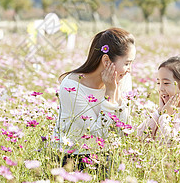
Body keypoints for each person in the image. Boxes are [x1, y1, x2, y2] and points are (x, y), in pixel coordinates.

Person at [52, 27, 136, 166]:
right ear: (106, 61)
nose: (130, 69)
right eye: (127, 63)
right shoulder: (71, 86)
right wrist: (110, 92)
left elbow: (124, 128)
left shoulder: (123, 78)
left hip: (107, 154)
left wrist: (118, 92)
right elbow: (99, 135)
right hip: (72, 157)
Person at [136, 56, 180, 152]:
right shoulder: (161, 112)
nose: (160, 89)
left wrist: (165, 117)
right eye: (158, 83)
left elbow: (175, 146)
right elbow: (138, 137)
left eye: (166, 83)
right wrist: (158, 113)